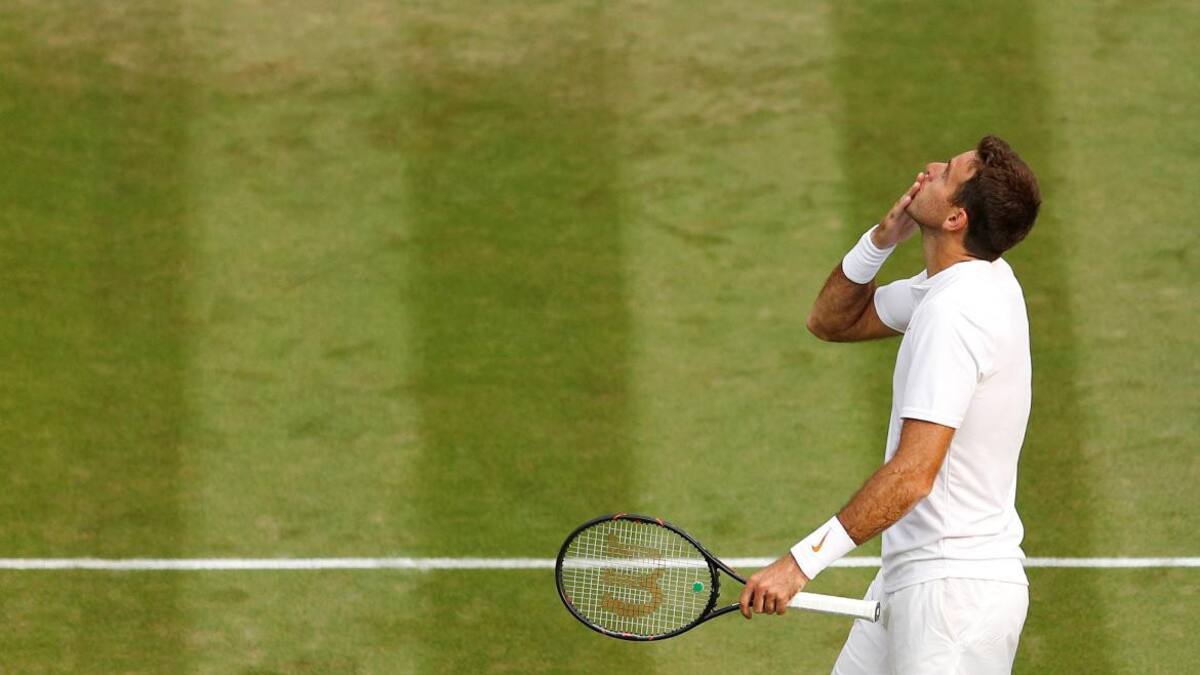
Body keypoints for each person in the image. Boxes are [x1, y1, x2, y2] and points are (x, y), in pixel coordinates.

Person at [738, 135, 1042, 674]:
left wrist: (800, 564)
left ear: (955, 218)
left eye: (946, 173)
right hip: (916, 580)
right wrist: (880, 241)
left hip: (952, 604)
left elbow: (912, 475)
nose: (930, 167)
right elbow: (831, 321)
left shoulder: (955, 316)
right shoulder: (970, 282)